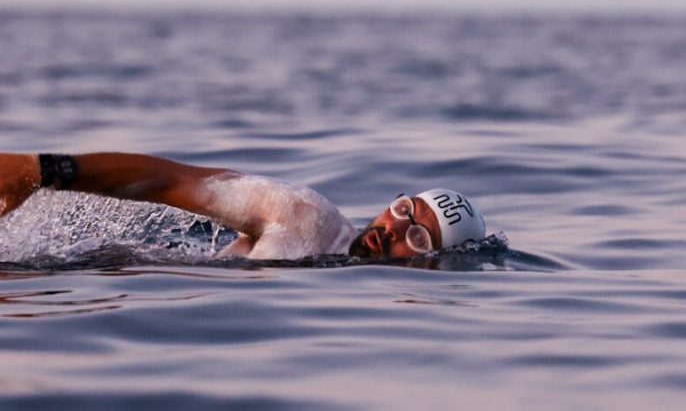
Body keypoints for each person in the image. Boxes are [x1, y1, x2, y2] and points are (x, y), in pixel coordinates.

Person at [0, 152, 486, 260]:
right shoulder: (303, 215)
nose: (394, 229)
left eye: (418, 238)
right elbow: (170, 179)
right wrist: (40, 170)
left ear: (432, 262)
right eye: (403, 210)